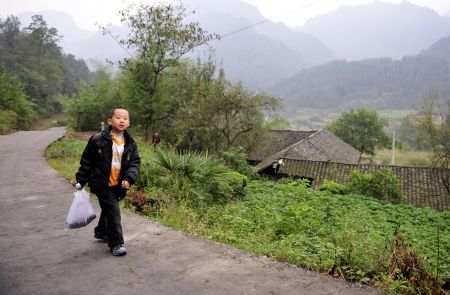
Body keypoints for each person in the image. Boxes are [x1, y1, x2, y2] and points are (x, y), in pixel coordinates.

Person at [75, 107, 141, 256]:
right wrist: (81, 180)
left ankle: (100, 231)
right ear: (110, 121)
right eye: (118, 117)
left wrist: (129, 178)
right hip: (101, 183)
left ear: (129, 122)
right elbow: (87, 161)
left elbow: (135, 163)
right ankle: (116, 243)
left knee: (108, 209)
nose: (122, 120)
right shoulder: (98, 140)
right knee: (113, 211)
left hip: (118, 185)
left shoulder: (130, 143)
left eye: (125, 118)